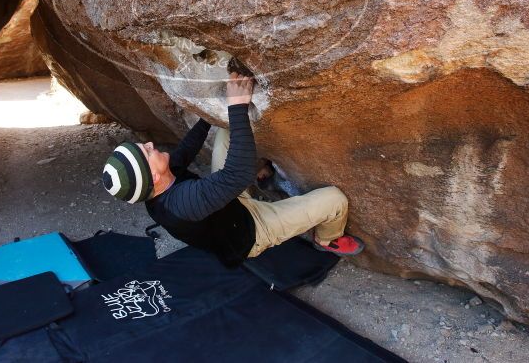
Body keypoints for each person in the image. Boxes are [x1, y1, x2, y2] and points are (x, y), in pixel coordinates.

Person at [101, 73, 364, 267]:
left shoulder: (158, 182)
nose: (149, 145)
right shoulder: (182, 205)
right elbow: (235, 175)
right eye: (147, 152)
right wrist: (237, 105)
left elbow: (187, 149)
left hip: (228, 205)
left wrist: (207, 114)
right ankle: (328, 239)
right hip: (253, 230)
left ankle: (262, 173)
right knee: (334, 199)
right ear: (154, 177)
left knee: (227, 129)